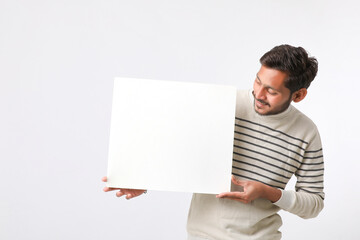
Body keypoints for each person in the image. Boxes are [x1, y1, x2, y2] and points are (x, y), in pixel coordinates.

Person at [102, 44, 325, 240]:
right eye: (257, 81)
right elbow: (178, 151)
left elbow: (313, 204)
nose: (258, 93)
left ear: (298, 95)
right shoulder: (223, 104)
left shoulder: (306, 133)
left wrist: (269, 192)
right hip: (201, 234)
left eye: (271, 91)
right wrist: (145, 180)